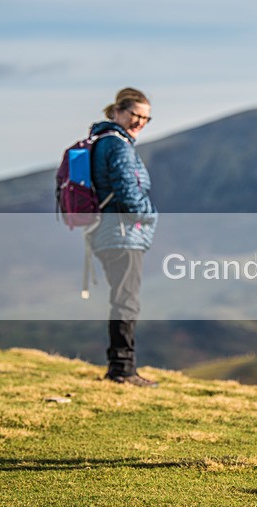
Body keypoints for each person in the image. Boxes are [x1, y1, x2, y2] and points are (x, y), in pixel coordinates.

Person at [89, 87, 158, 387]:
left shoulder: (104, 142)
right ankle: (122, 369)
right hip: (122, 234)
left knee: (123, 299)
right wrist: (151, 213)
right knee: (127, 301)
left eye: (146, 118)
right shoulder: (117, 146)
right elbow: (128, 195)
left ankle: (121, 366)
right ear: (118, 111)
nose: (140, 122)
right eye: (135, 115)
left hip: (110, 233)